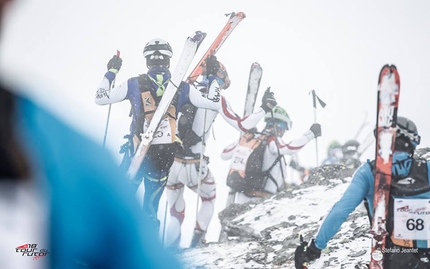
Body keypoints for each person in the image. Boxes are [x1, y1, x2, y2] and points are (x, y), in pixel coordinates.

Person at [0, 1, 182, 268]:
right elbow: (102, 97)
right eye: (153, 57)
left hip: (162, 158)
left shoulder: (71, 160)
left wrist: (213, 83)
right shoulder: (132, 87)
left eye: (161, 57)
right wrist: (111, 72)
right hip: (136, 154)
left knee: (145, 211)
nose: (157, 62)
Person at [164, 55, 277, 248]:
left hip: (171, 162)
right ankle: (197, 241)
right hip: (194, 164)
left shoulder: (184, 90)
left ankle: (170, 247)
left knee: (175, 209)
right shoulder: (217, 98)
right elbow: (244, 126)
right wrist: (264, 108)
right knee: (208, 197)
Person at [294, 116, 430, 269]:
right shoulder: (427, 169)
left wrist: (314, 249)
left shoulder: (368, 172)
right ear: (412, 142)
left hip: (390, 257)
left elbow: (340, 211)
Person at [95, 38, 179, 230]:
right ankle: (148, 255)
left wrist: (112, 71)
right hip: (162, 158)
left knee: (119, 205)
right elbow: (212, 103)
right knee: (150, 210)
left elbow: (100, 98)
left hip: (136, 153)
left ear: (147, 61)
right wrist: (212, 80)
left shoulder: (134, 84)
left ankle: (106, 247)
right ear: (169, 60)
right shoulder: (181, 86)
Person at [220, 106, 321, 204]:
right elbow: (289, 149)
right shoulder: (272, 140)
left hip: (240, 197)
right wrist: (310, 134)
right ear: (281, 126)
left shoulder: (250, 138)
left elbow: (224, 154)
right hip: (261, 200)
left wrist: (244, 135)